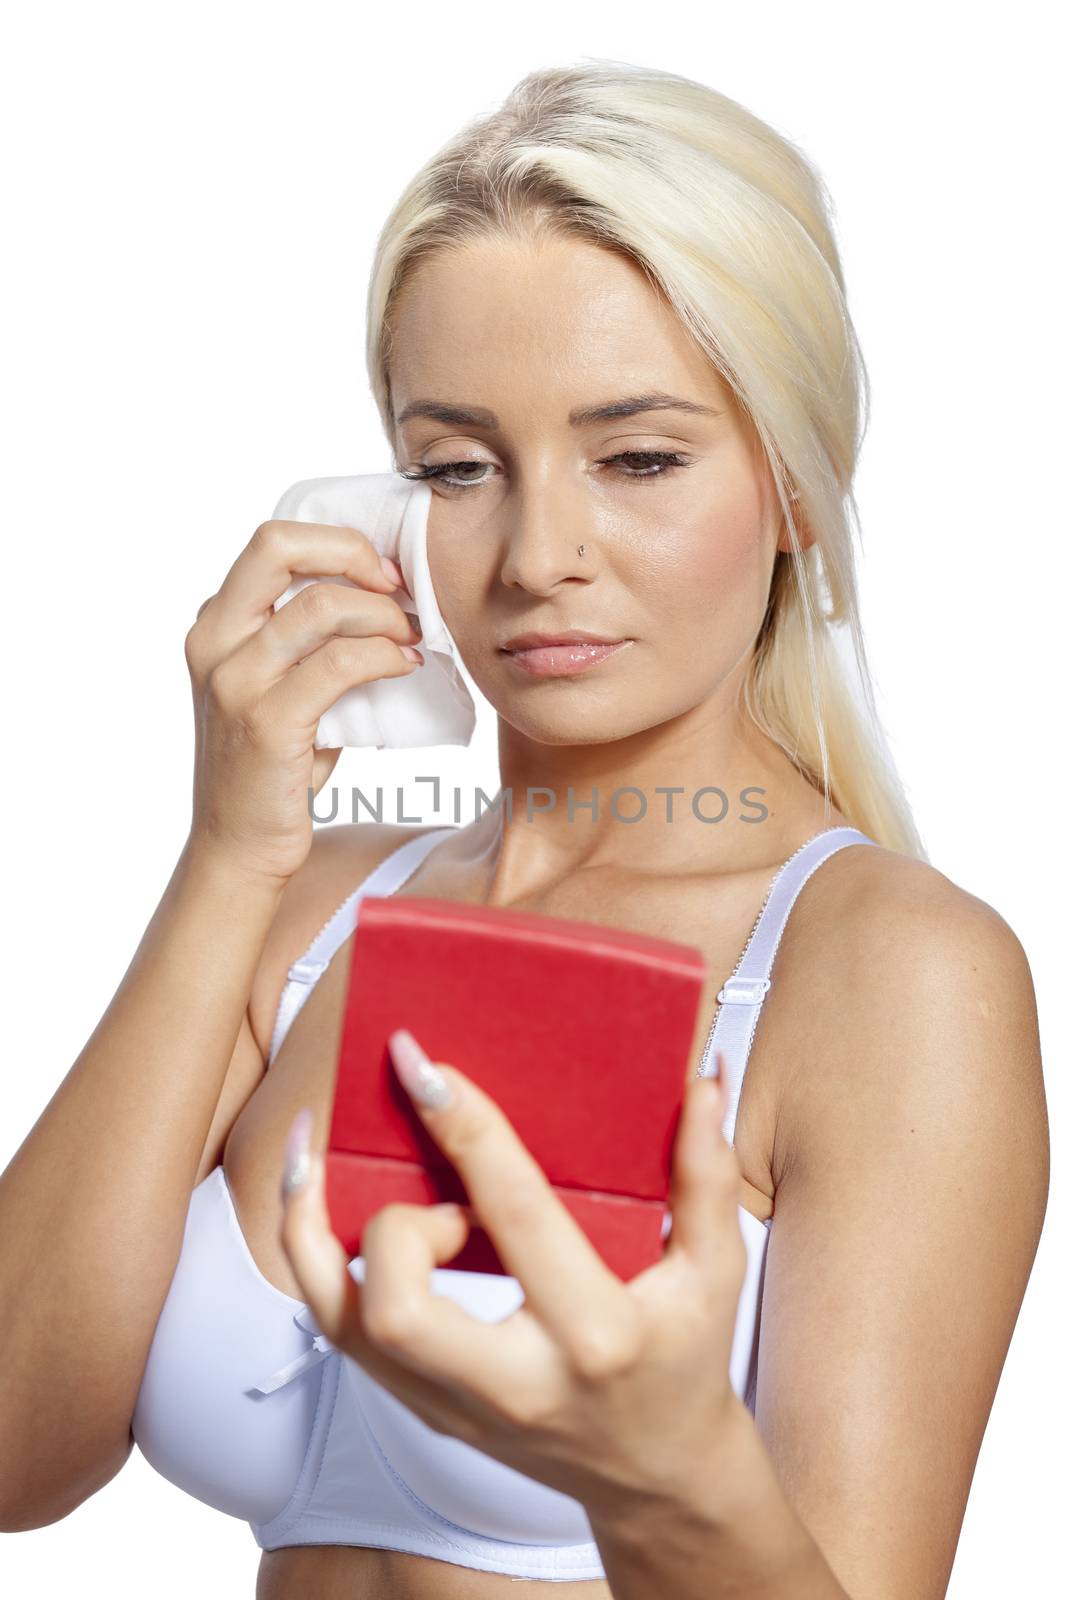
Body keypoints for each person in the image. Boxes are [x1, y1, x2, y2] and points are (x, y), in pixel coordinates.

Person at [0, 59, 1048, 1600]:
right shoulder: (305, 909)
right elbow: (20, 1459)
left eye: (638, 458)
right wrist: (226, 855)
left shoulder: (885, 976)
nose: (538, 554)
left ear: (796, 487)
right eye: (459, 467)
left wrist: (671, 1469)